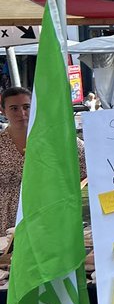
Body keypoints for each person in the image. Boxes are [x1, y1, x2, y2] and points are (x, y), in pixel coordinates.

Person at [0, 86, 88, 241]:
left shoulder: (55, 138)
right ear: (3, 111)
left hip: (47, 212)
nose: (22, 113)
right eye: (14, 108)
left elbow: (87, 164)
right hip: (7, 219)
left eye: (26, 107)